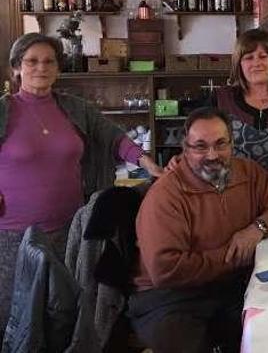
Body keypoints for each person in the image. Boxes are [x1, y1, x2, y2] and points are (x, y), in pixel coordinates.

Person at [0, 33, 162, 338]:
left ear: (58, 68)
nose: (41, 67)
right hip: (11, 236)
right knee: (15, 315)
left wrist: (148, 164)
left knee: (64, 315)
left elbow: (114, 137)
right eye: (31, 61)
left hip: (69, 230)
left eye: (49, 61)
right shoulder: (4, 110)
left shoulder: (73, 108)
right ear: (17, 68)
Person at [130, 107, 268, 352]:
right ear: (185, 148)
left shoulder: (248, 172)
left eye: (221, 144)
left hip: (229, 287)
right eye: (200, 146)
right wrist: (232, 256)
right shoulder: (165, 195)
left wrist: (257, 229)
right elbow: (166, 269)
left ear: (232, 144)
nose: (212, 155)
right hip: (169, 299)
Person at [165, 29, 268, 204]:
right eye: (248, 58)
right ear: (239, 64)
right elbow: (196, 136)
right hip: (228, 197)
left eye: (264, 56)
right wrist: (183, 155)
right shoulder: (221, 99)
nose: (257, 63)